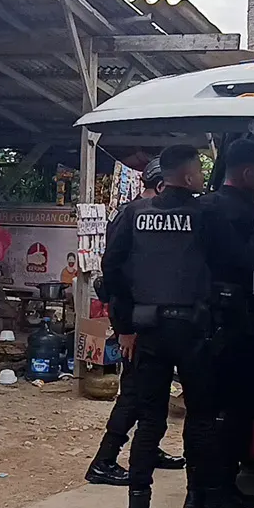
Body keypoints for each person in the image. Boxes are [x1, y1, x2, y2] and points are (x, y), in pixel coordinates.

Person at [100, 145, 254, 508]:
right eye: (198, 168)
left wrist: (124, 325)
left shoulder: (134, 213)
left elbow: (110, 270)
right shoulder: (205, 213)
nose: (202, 174)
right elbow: (242, 261)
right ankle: (213, 504)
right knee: (203, 417)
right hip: (195, 332)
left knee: (150, 422)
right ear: (186, 176)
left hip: (146, 331)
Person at [191, 139, 254, 508]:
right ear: (246, 173)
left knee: (201, 410)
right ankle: (222, 495)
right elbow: (246, 260)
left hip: (198, 319)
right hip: (232, 321)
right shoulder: (244, 212)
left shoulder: (203, 206)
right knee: (235, 409)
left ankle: (196, 491)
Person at [86, 158, 185, 487]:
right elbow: (116, 279)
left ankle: (149, 448)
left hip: (149, 321)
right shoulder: (134, 217)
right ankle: (104, 460)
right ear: (160, 188)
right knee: (133, 392)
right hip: (135, 322)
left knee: (150, 394)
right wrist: (125, 328)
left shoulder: (140, 216)